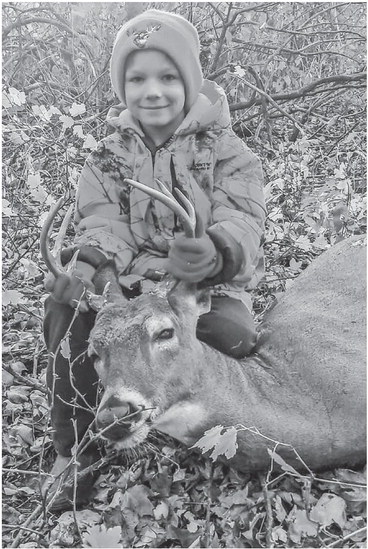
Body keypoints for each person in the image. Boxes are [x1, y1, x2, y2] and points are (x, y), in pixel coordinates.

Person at [43, 9, 266, 511]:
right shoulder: (106, 157)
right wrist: (87, 263)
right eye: (137, 78)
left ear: (189, 81)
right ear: (123, 88)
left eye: (168, 77)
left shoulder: (230, 152)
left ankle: (199, 418)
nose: (153, 91)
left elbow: (245, 219)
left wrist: (217, 251)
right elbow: (103, 223)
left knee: (233, 337)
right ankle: (73, 450)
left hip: (201, 285)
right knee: (67, 315)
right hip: (130, 284)